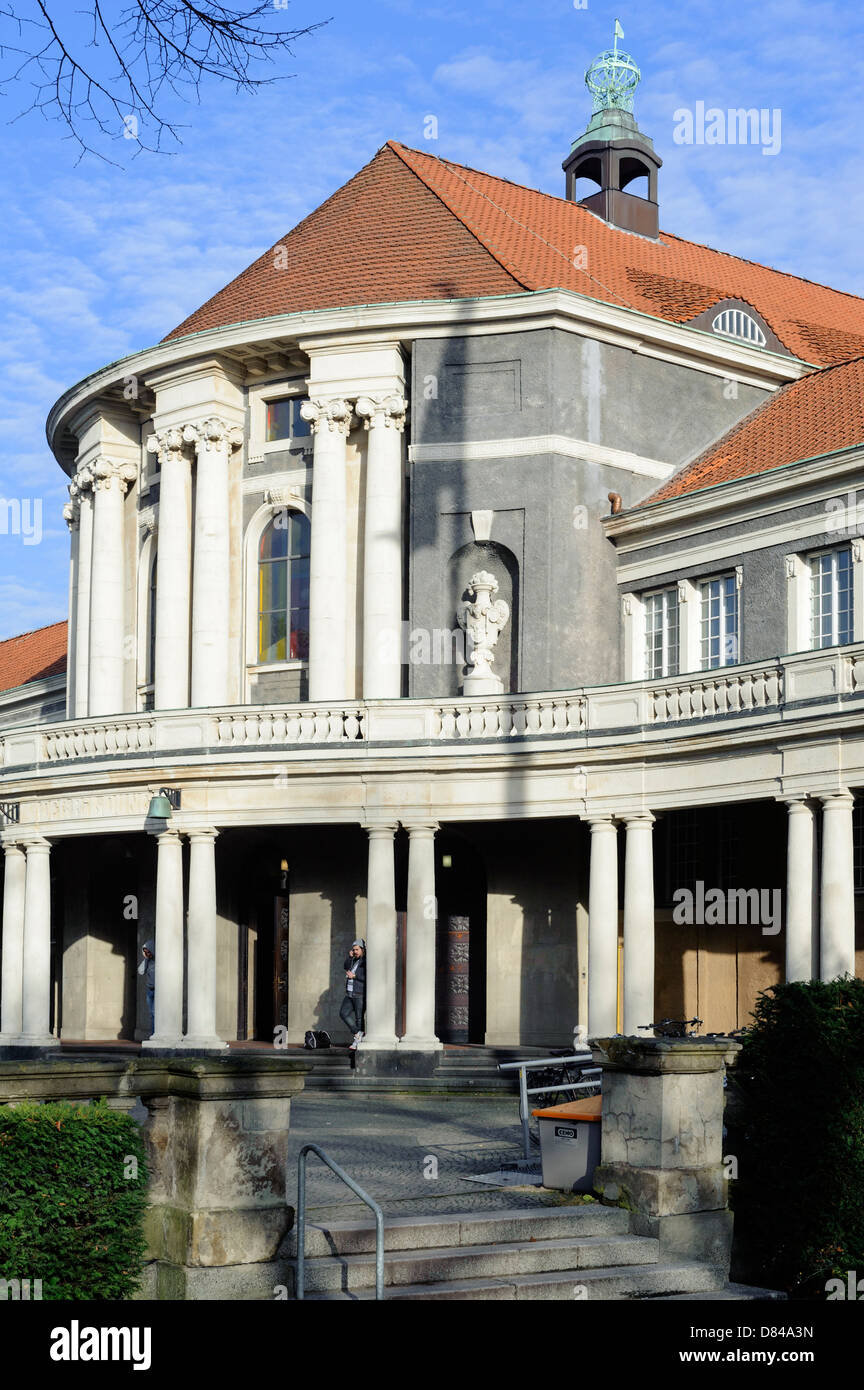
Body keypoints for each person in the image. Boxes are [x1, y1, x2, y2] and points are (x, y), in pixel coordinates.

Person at [339, 939, 365, 1049]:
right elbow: (345, 966)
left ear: (362, 949)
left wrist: (355, 977)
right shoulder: (354, 960)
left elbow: (367, 978)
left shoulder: (365, 961)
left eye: (357, 949)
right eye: (353, 950)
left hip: (359, 993)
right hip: (349, 993)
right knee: (343, 1013)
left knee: (359, 1018)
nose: (355, 952)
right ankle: (358, 1034)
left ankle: (357, 1041)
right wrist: (350, 957)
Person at [138, 940, 155, 1034]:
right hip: (150, 990)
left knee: (154, 1013)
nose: (147, 953)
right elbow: (140, 971)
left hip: (158, 991)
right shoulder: (148, 961)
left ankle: (154, 1034)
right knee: (151, 1014)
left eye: (148, 951)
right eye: (145, 952)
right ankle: (152, 1034)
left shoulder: (159, 961)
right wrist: (146, 959)